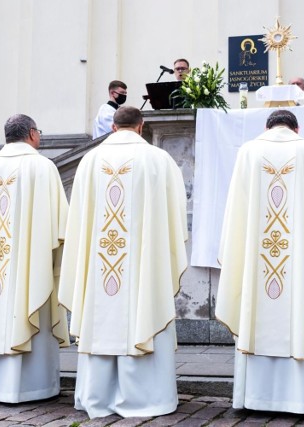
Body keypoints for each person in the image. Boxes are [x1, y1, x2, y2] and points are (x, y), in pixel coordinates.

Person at [216, 110, 304, 414]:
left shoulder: (249, 151)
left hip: (257, 259)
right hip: (300, 261)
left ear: (266, 126)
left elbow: (236, 212)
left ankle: (256, 397)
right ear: (296, 127)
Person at [59, 106, 188, 418]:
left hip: (99, 267)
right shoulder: (158, 160)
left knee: (99, 313)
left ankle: (98, 397)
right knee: (143, 306)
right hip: (144, 266)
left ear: (113, 128)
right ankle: (145, 398)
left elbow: (77, 223)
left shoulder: (89, 162)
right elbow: (175, 218)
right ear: (141, 126)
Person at [0, 114, 70, 403]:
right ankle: (34, 387)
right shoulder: (43, 167)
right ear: (32, 134)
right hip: (29, 269)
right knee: (30, 296)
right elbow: (61, 228)